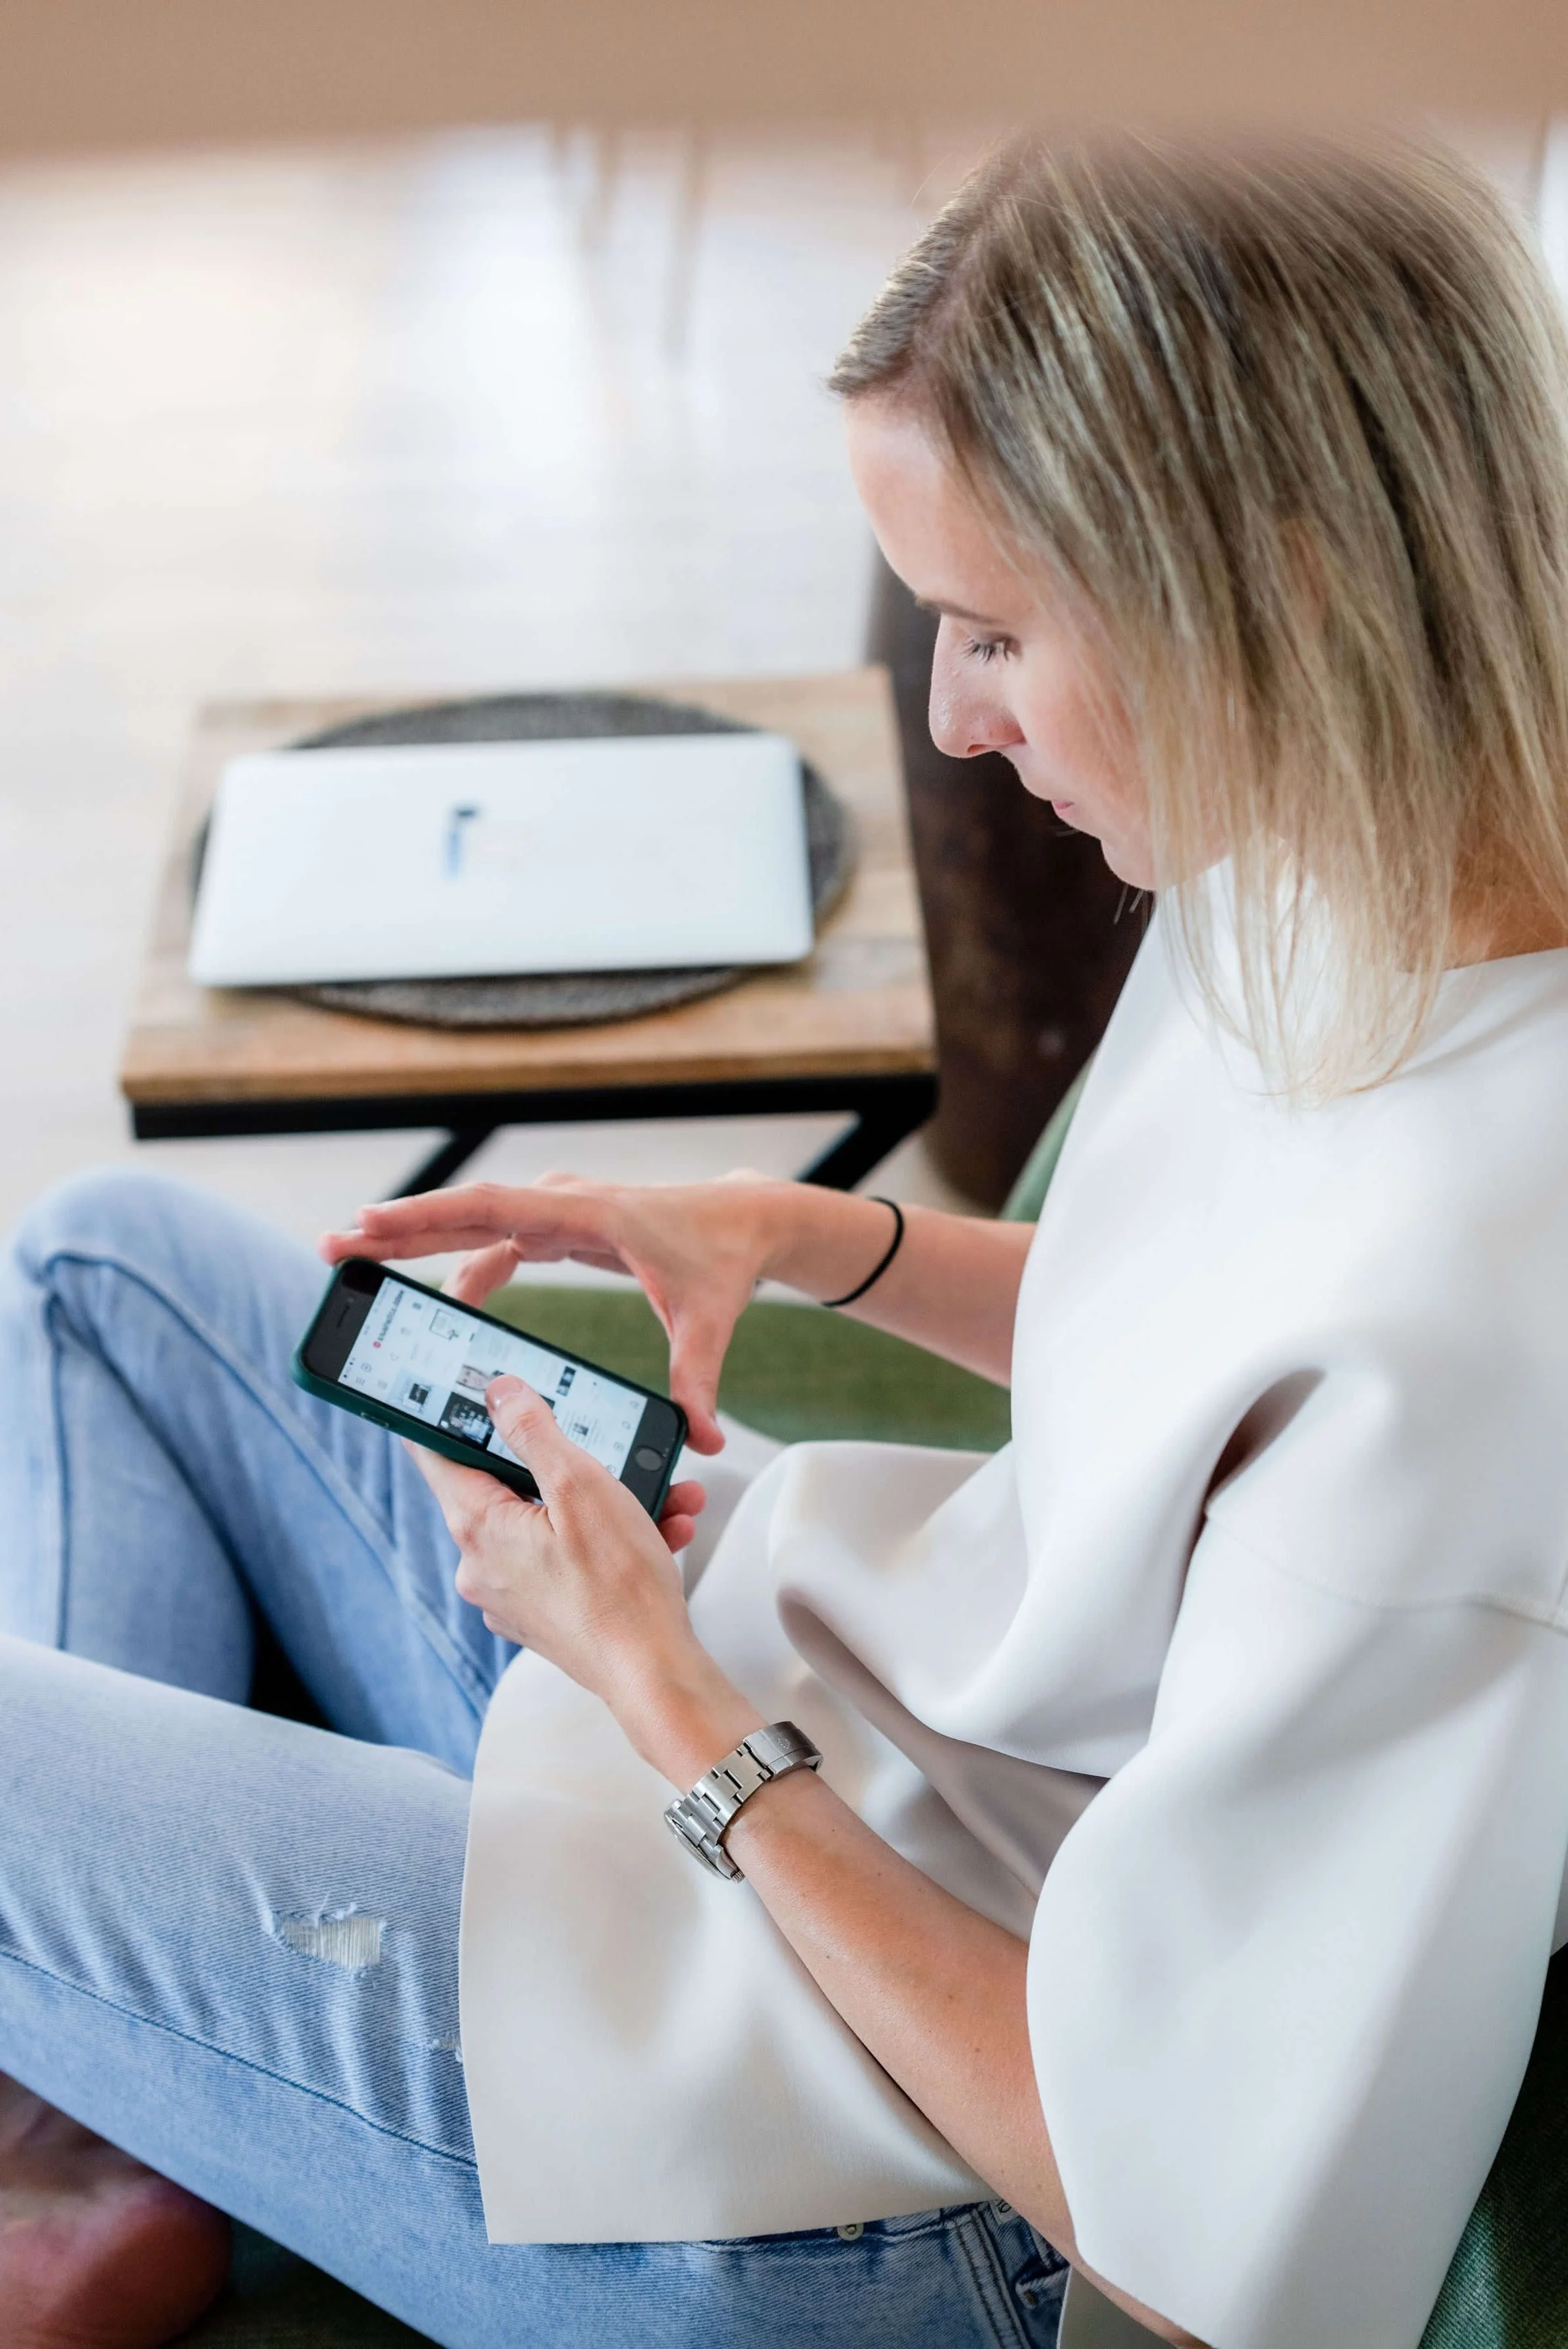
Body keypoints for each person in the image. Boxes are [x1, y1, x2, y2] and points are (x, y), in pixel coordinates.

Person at [5, 130, 1568, 2349]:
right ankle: (88, 2129)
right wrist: (807, 1238)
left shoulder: (1488, 1351)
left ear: (1290, 585)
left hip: (858, 2158)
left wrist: (657, 1685)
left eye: (1001, 628)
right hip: (818, 1719)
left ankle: (95, 2119)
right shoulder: (1341, 844)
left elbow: (1196, 2248)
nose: (948, 715)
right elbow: (1217, 1364)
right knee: (108, 1266)